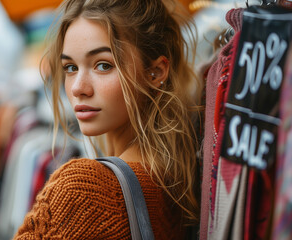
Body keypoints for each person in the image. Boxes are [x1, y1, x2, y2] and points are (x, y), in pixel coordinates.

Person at [14, 0, 202, 239]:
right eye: (70, 67)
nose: (78, 88)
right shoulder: (176, 181)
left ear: (155, 73)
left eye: (103, 65)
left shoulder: (82, 191)